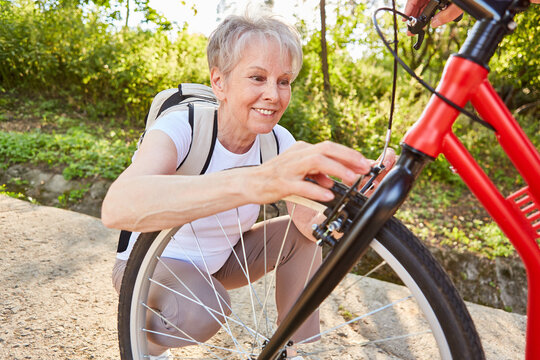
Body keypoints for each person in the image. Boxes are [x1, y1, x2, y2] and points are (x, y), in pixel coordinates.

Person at [102, 8, 396, 360]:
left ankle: (293, 347)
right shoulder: (183, 128)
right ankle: (146, 346)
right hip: (151, 266)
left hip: (221, 261)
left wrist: (355, 206)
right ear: (219, 82)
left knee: (302, 239)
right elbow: (117, 206)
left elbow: (309, 222)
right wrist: (253, 181)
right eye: (257, 77)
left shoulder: (277, 141)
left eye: (283, 81)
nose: (273, 94)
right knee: (204, 309)